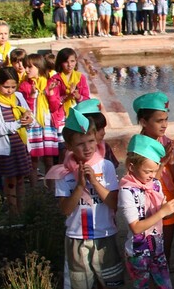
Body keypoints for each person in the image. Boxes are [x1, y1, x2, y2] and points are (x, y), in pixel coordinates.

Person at [47, 110, 124, 289]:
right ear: (69, 146)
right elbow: (65, 209)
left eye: (91, 141)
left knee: (110, 282)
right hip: (77, 237)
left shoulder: (106, 166)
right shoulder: (63, 172)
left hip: (104, 234)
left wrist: (95, 183)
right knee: (81, 284)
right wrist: (80, 186)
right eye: (80, 144)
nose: (88, 148)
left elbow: (114, 203)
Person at [119, 135, 174, 289]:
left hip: (157, 247)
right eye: (148, 171)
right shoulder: (127, 191)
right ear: (131, 167)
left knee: (165, 284)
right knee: (142, 285)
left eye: (155, 171)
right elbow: (136, 227)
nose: (152, 175)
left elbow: (164, 213)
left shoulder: (154, 184)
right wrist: (163, 212)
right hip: (138, 253)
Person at [134, 92, 174, 263]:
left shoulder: (169, 144)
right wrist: (162, 163)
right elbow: (142, 183)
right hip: (146, 204)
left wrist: (172, 161)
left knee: (164, 251)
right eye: (159, 121)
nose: (164, 125)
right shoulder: (137, 147)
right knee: (146, 251)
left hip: (167, 199)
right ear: (144, 122)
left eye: (166, 120)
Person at [0, 67, 33, 215]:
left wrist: (29, 120)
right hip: (5, 148)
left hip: (20, 145)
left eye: (13, 87)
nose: (10, 90)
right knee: (10, 180)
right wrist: (18, 123)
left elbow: (29, 114)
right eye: (6, 87)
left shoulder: (18, 97)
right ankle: (13, 212)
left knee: (21, 179)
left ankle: (22, 209)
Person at [19, 53, 58, 181]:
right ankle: (34, 187)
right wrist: (31, 96)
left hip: (47, 124)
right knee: (33, 159)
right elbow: (24, 108)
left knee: (49, 160)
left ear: (39, 67)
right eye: (25, 66)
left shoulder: (49, 83)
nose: (26, 70)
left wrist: (50, 93)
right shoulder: (24, 85)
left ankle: (50, 188)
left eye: (30, 67)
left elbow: (54, 107)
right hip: (33, 125)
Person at [46, 48, 90, 133]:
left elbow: (87, 101)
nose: (70, 65)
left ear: (76, 61)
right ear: (60, 63)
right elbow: (53, 106)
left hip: (78, 115)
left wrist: (78, 96)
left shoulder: (80, 78)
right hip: (61, 118)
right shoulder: (55, 80)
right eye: (66, 62)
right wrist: (66, 97)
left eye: (72, 61)